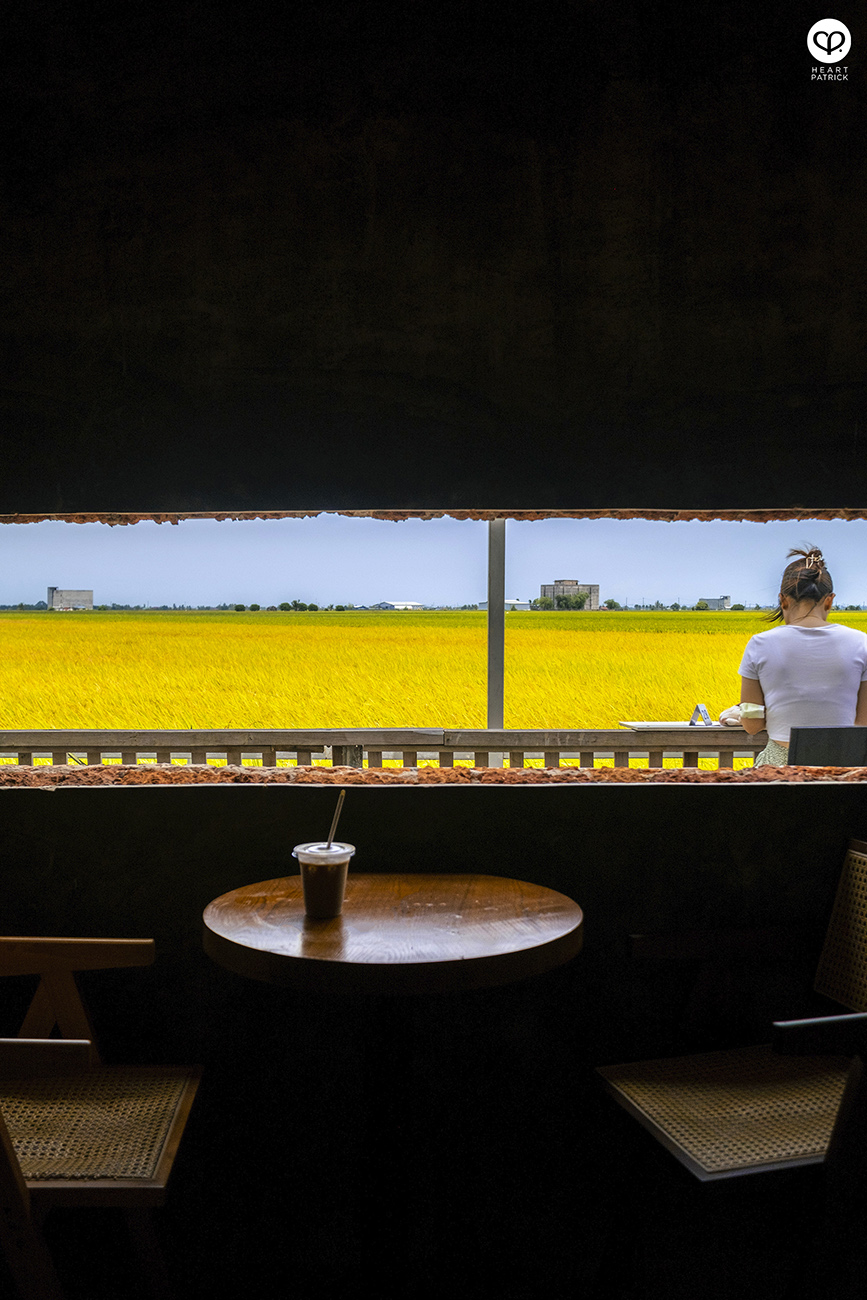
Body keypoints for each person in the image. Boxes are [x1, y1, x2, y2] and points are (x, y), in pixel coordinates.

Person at [733, 547, 867, 767]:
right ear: (829, 601)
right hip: (842, 768)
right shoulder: (861, 642)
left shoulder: (760, 644)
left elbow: (752, 724)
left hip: (779, 768)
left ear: (783, 600)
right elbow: (863, 722)